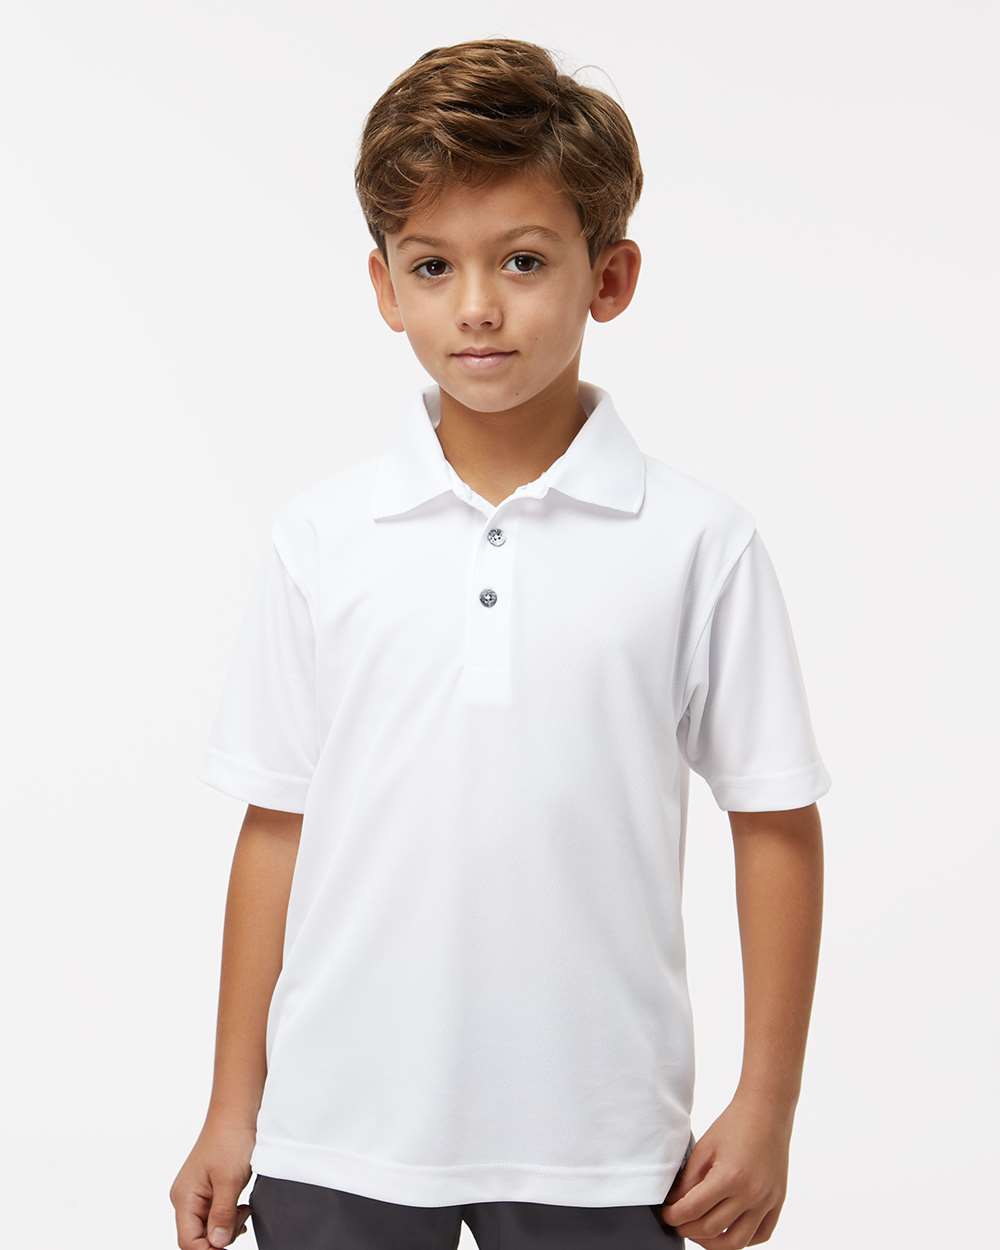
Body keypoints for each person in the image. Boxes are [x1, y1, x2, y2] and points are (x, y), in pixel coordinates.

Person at [170, 36, 831, 1250]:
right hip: (339, 1127)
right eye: (433, 265)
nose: (476, 304)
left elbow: (774, 819)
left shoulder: (697, 541)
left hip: (600, 1138)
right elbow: (276, 826)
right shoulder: (322, 538)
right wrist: (231, 1107)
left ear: (608, 276)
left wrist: (768, 1103)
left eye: (522, 260)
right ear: (385, 287)